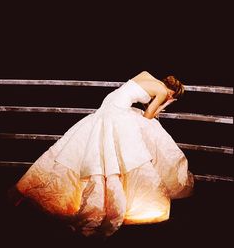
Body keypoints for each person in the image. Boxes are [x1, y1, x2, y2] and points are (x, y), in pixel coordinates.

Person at [10, 71, 194, 237]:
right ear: (172, 92)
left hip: (108, 104)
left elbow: (132, 91)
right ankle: (117, 195)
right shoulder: (163, 93)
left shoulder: (146, 74)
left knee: (100, 146)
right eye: (171, 96)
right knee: (136, 139)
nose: (167, 97)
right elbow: (148, 116)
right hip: (117, 111)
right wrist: (165, 104)